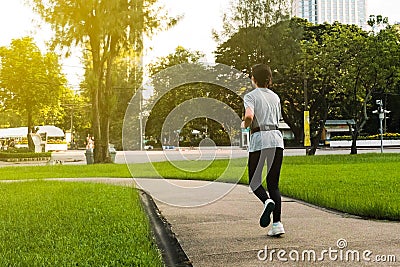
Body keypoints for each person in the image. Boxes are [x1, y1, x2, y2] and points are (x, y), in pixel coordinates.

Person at [241, 63, 285, 237]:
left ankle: (266, 201)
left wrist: (244, 125)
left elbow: (249, 116)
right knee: (273, 184)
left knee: (254, 181)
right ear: (269, 79)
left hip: (260, 140)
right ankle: (277, 225)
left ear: (253, 79)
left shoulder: (251, 96)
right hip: (276, 139)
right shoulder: (275, 97)